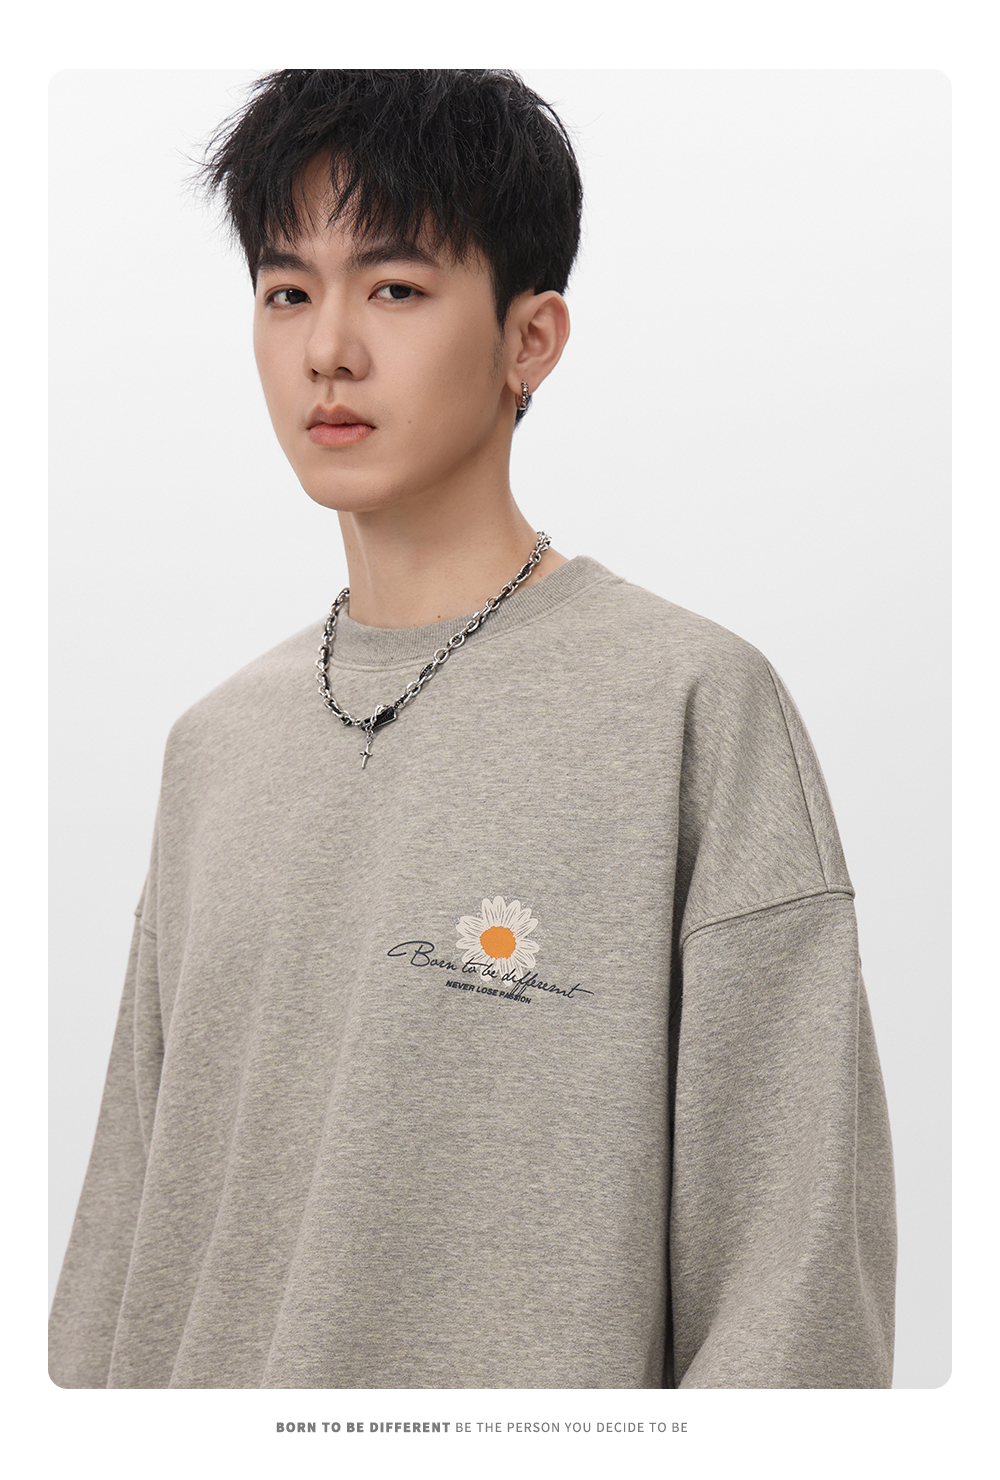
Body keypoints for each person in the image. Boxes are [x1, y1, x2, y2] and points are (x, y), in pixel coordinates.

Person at [48, 68, 896, 1390]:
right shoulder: (212, 748)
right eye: (286, 292)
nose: (329, 349)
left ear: (530, 340)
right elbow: (121, 1255)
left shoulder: (689, 707)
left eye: (394, 288)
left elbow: (796, 1294)